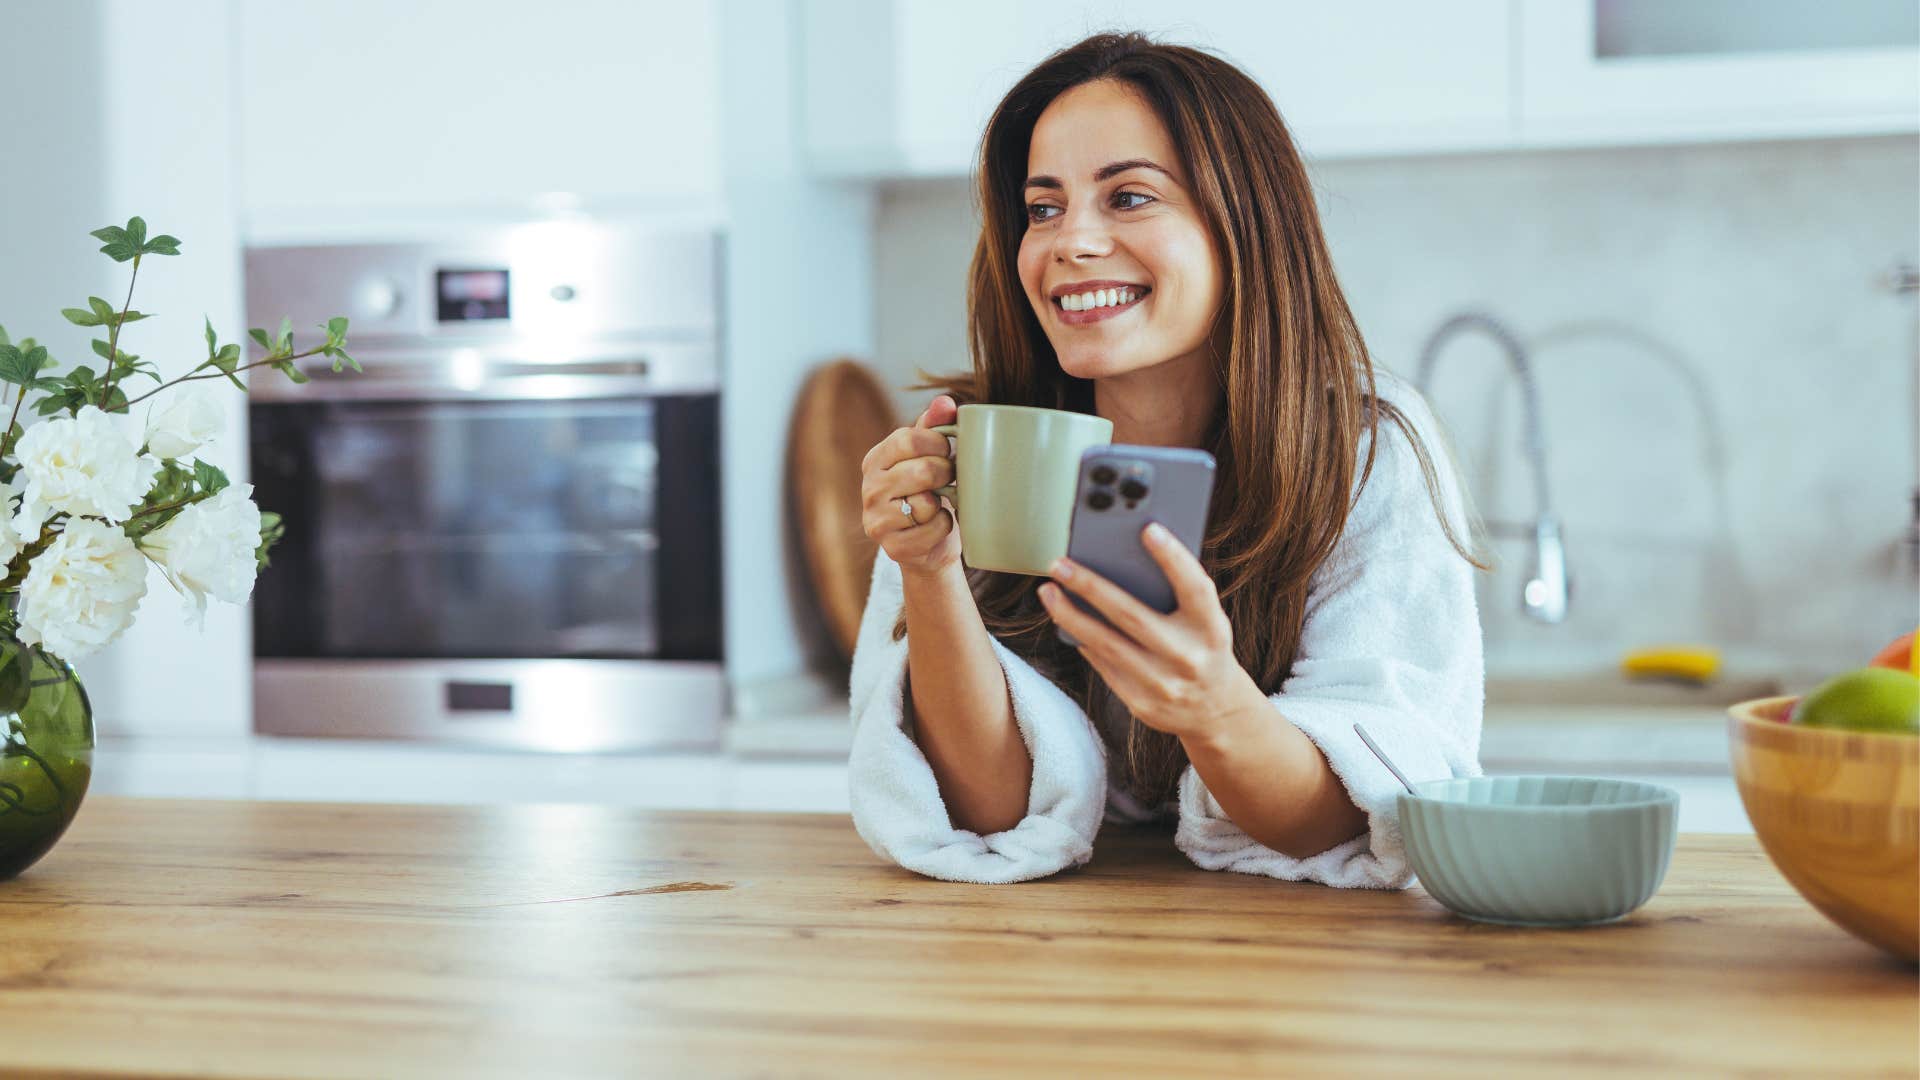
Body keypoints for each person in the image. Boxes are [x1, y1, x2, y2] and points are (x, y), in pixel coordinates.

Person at [848, 32, 1484, 887]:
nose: (1070, 242)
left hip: (1289, 963)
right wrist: (928, 571)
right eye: (1043, 208)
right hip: (1027, 959)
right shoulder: (984, 442)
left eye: (1130, 196)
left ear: (1244, 223)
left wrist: (1212, 705)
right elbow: (989, 812)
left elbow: (1352, 815)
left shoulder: (1363, 445)